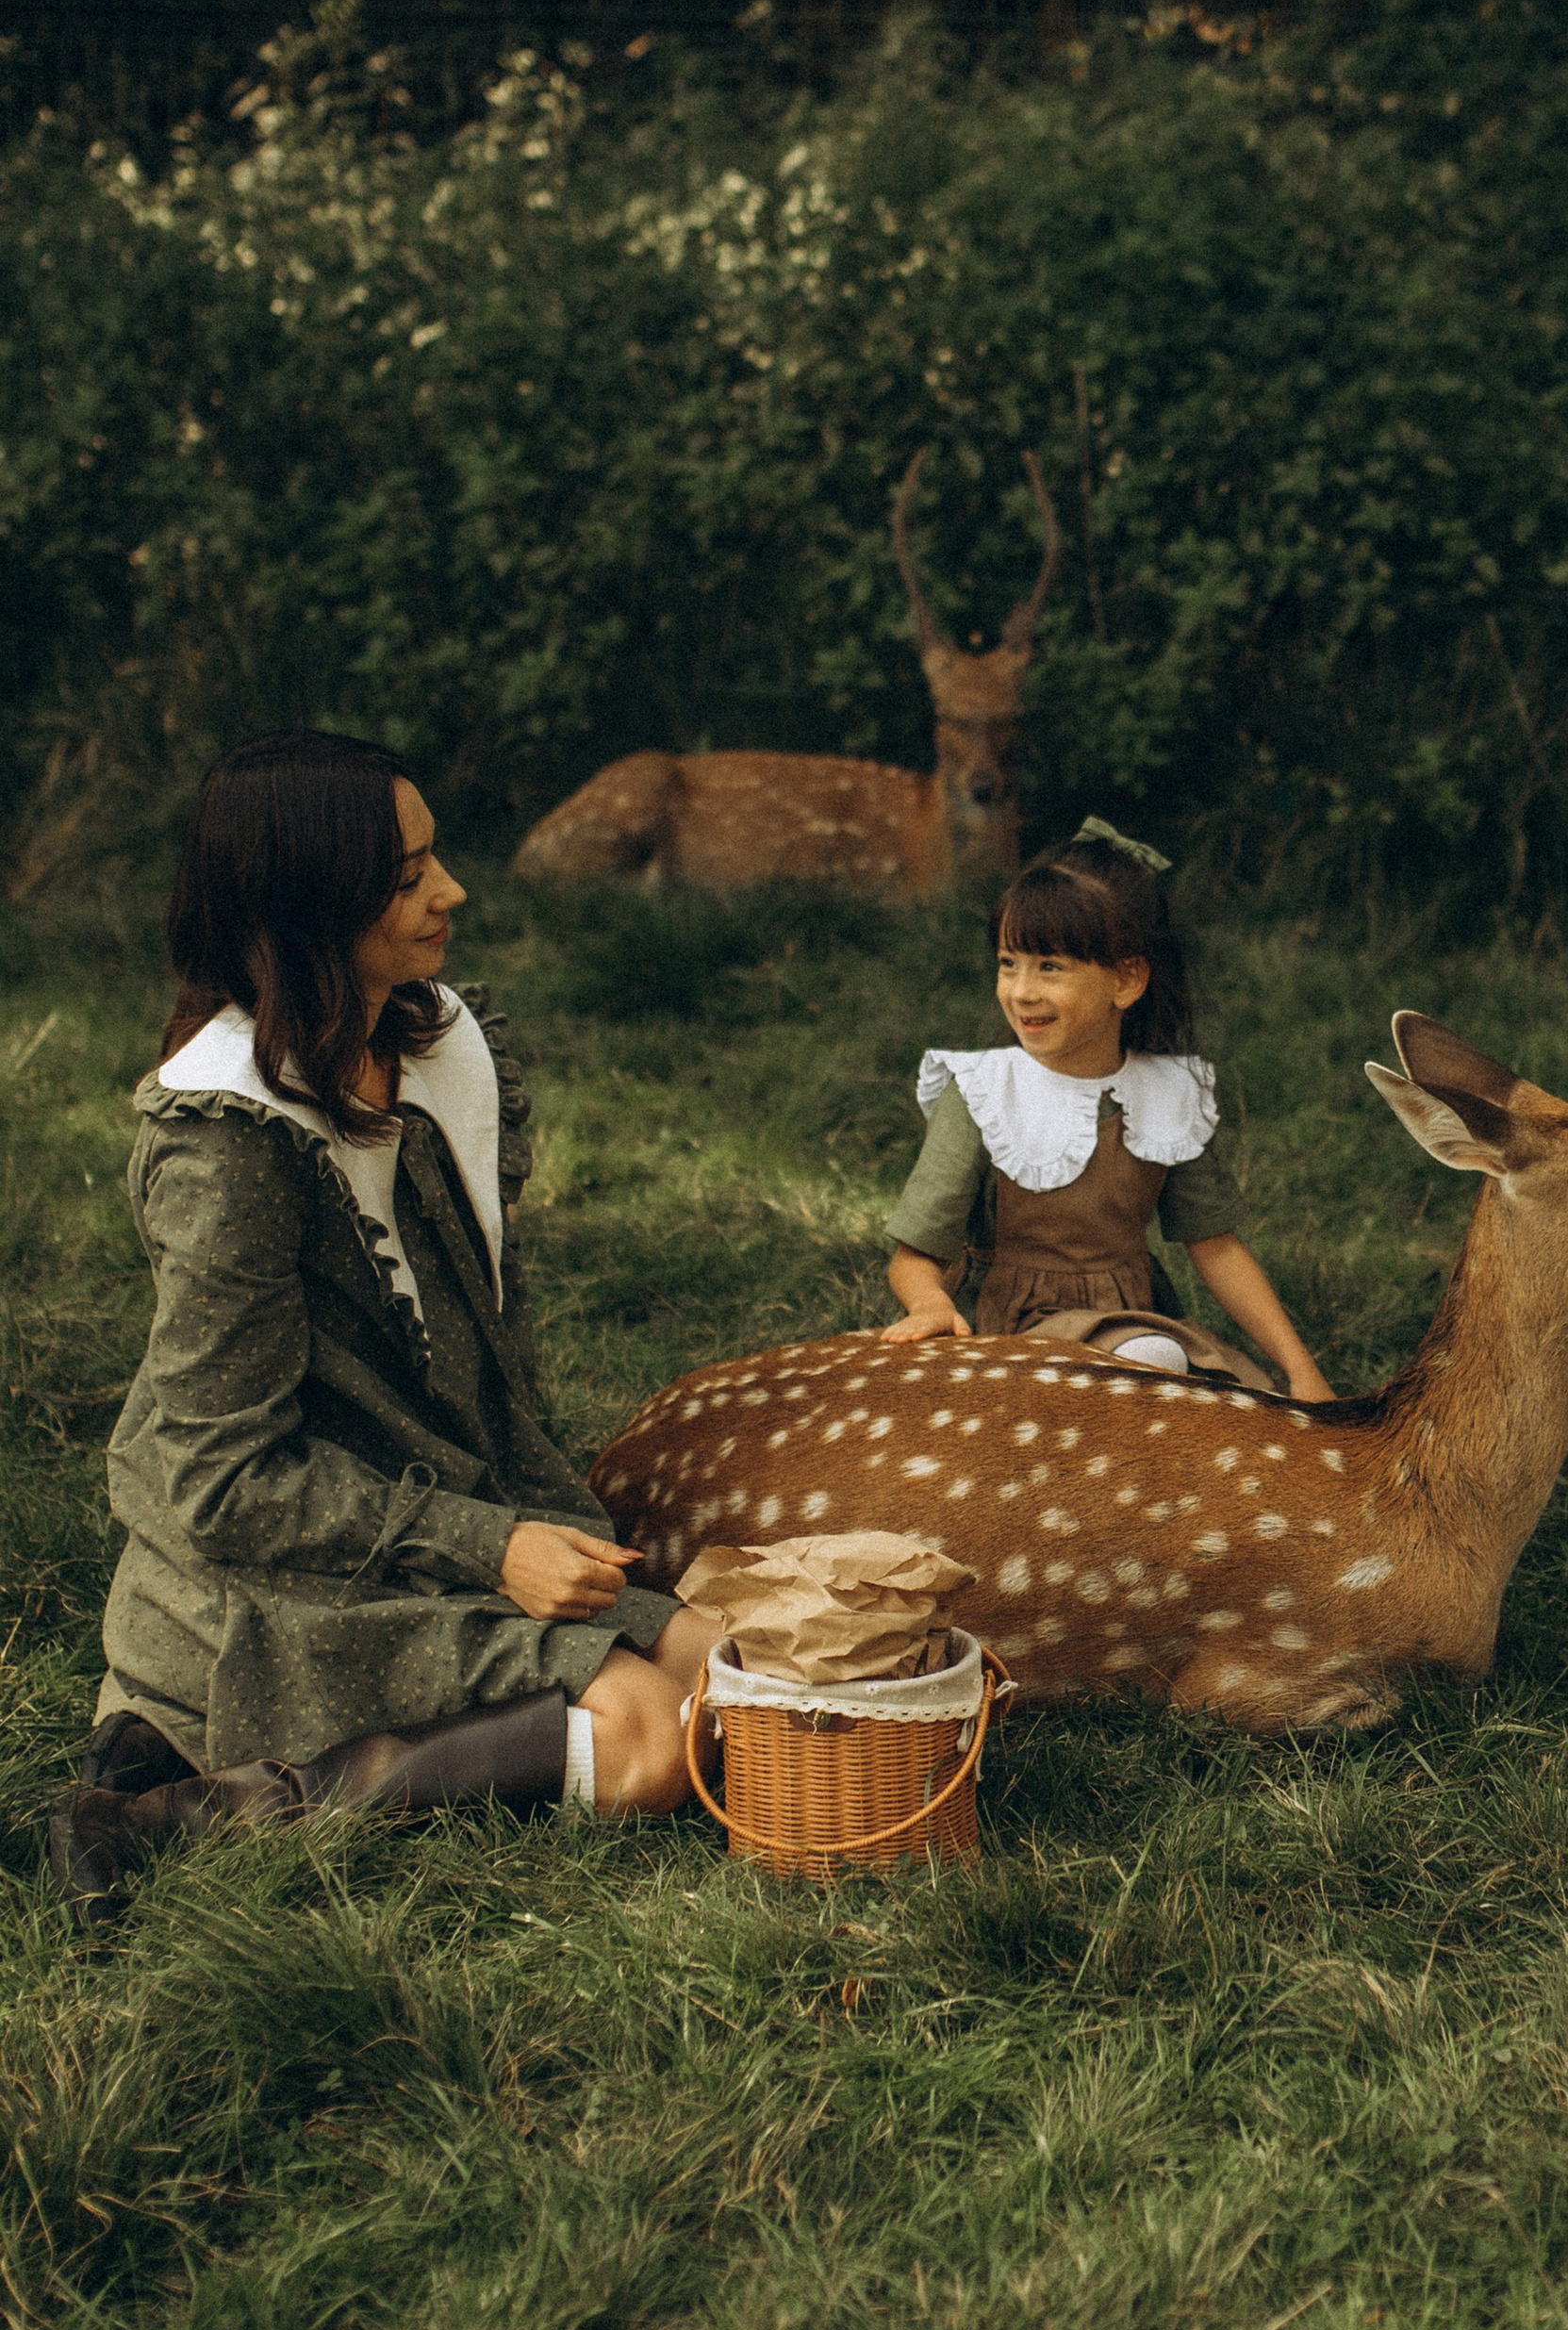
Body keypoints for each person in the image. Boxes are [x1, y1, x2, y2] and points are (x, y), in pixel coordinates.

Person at [52, 732, 721, 1922]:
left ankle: (162, 1743)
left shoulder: (426, 1045)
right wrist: (487, 1549)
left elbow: (479, 1355)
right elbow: (219, 1480)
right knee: (647, 1748)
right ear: (312, 909)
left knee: (719, 1671)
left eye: (433, 858)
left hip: (427, 1510)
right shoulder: (230, 1145)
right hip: (280, 1571)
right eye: (409, 876)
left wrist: (533, 1519)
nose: (451, 892)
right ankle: (172, 1809)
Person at [882, 817, 1333, 1400]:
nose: (1021, 991)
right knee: (1153, 1358)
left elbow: (1217, 1248)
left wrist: (1301, 1370)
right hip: (1007, 1329)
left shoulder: (1169, 1095)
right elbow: (913, 1256)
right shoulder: (984, 1093)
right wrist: (931, 1304)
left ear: (1126, 980)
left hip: (1131, 1324)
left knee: (1185, 1371)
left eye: (1050, 967)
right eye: (1007, 962)